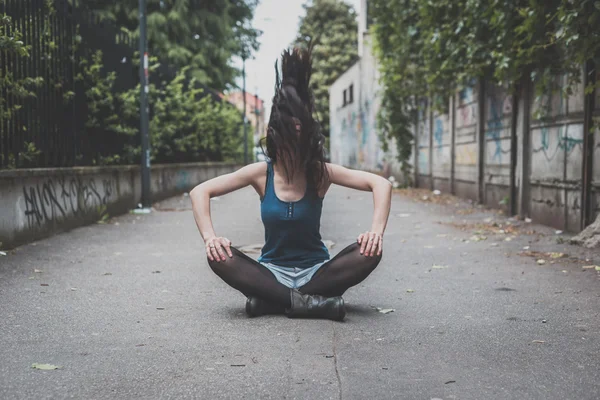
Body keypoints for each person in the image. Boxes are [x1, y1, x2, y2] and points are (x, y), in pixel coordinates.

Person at [190, 48, 392, 321]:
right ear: (276, 137)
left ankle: (273, 302)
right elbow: (200, 191)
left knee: (369, 252)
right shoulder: (261, 173)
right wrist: (210, 238)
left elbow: (380, 184)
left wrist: (376, 232)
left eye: (299, 140)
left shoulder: (320, 173)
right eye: (288, 140)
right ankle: (309, 303)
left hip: (318, 273)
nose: (293, 150)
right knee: (218, 256)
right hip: (270, 273)